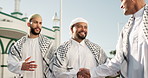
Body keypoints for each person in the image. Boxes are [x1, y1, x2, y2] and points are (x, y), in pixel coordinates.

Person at [78, 0, 148, 78]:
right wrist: (92, 72)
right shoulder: (126, 30)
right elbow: (117, 61)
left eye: (122, 0)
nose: (121, 6)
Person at [7, 14, 56, 78]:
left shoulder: (48, 44)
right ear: (28, 24)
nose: (38, 25)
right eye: (35, 22)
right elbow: (10, 63)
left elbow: (56, 63)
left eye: (40, 23)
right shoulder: (19, 44)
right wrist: (20, 65)